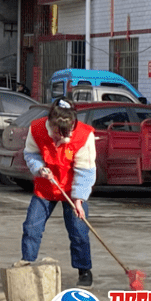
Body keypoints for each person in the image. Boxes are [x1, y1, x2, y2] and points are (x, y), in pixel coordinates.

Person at [21, 98, 97, 288]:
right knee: (31, 227)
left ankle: (84, 271)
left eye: (65, 134)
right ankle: (26, 265)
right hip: (45, 186)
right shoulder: (37, 128)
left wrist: (79, 200)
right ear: (51, 123)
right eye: (56, 132)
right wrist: (39, 168)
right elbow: (31, 153)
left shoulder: (83, 135)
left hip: (72, 189)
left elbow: (85, 170)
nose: (59, 138)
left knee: (78, 231)